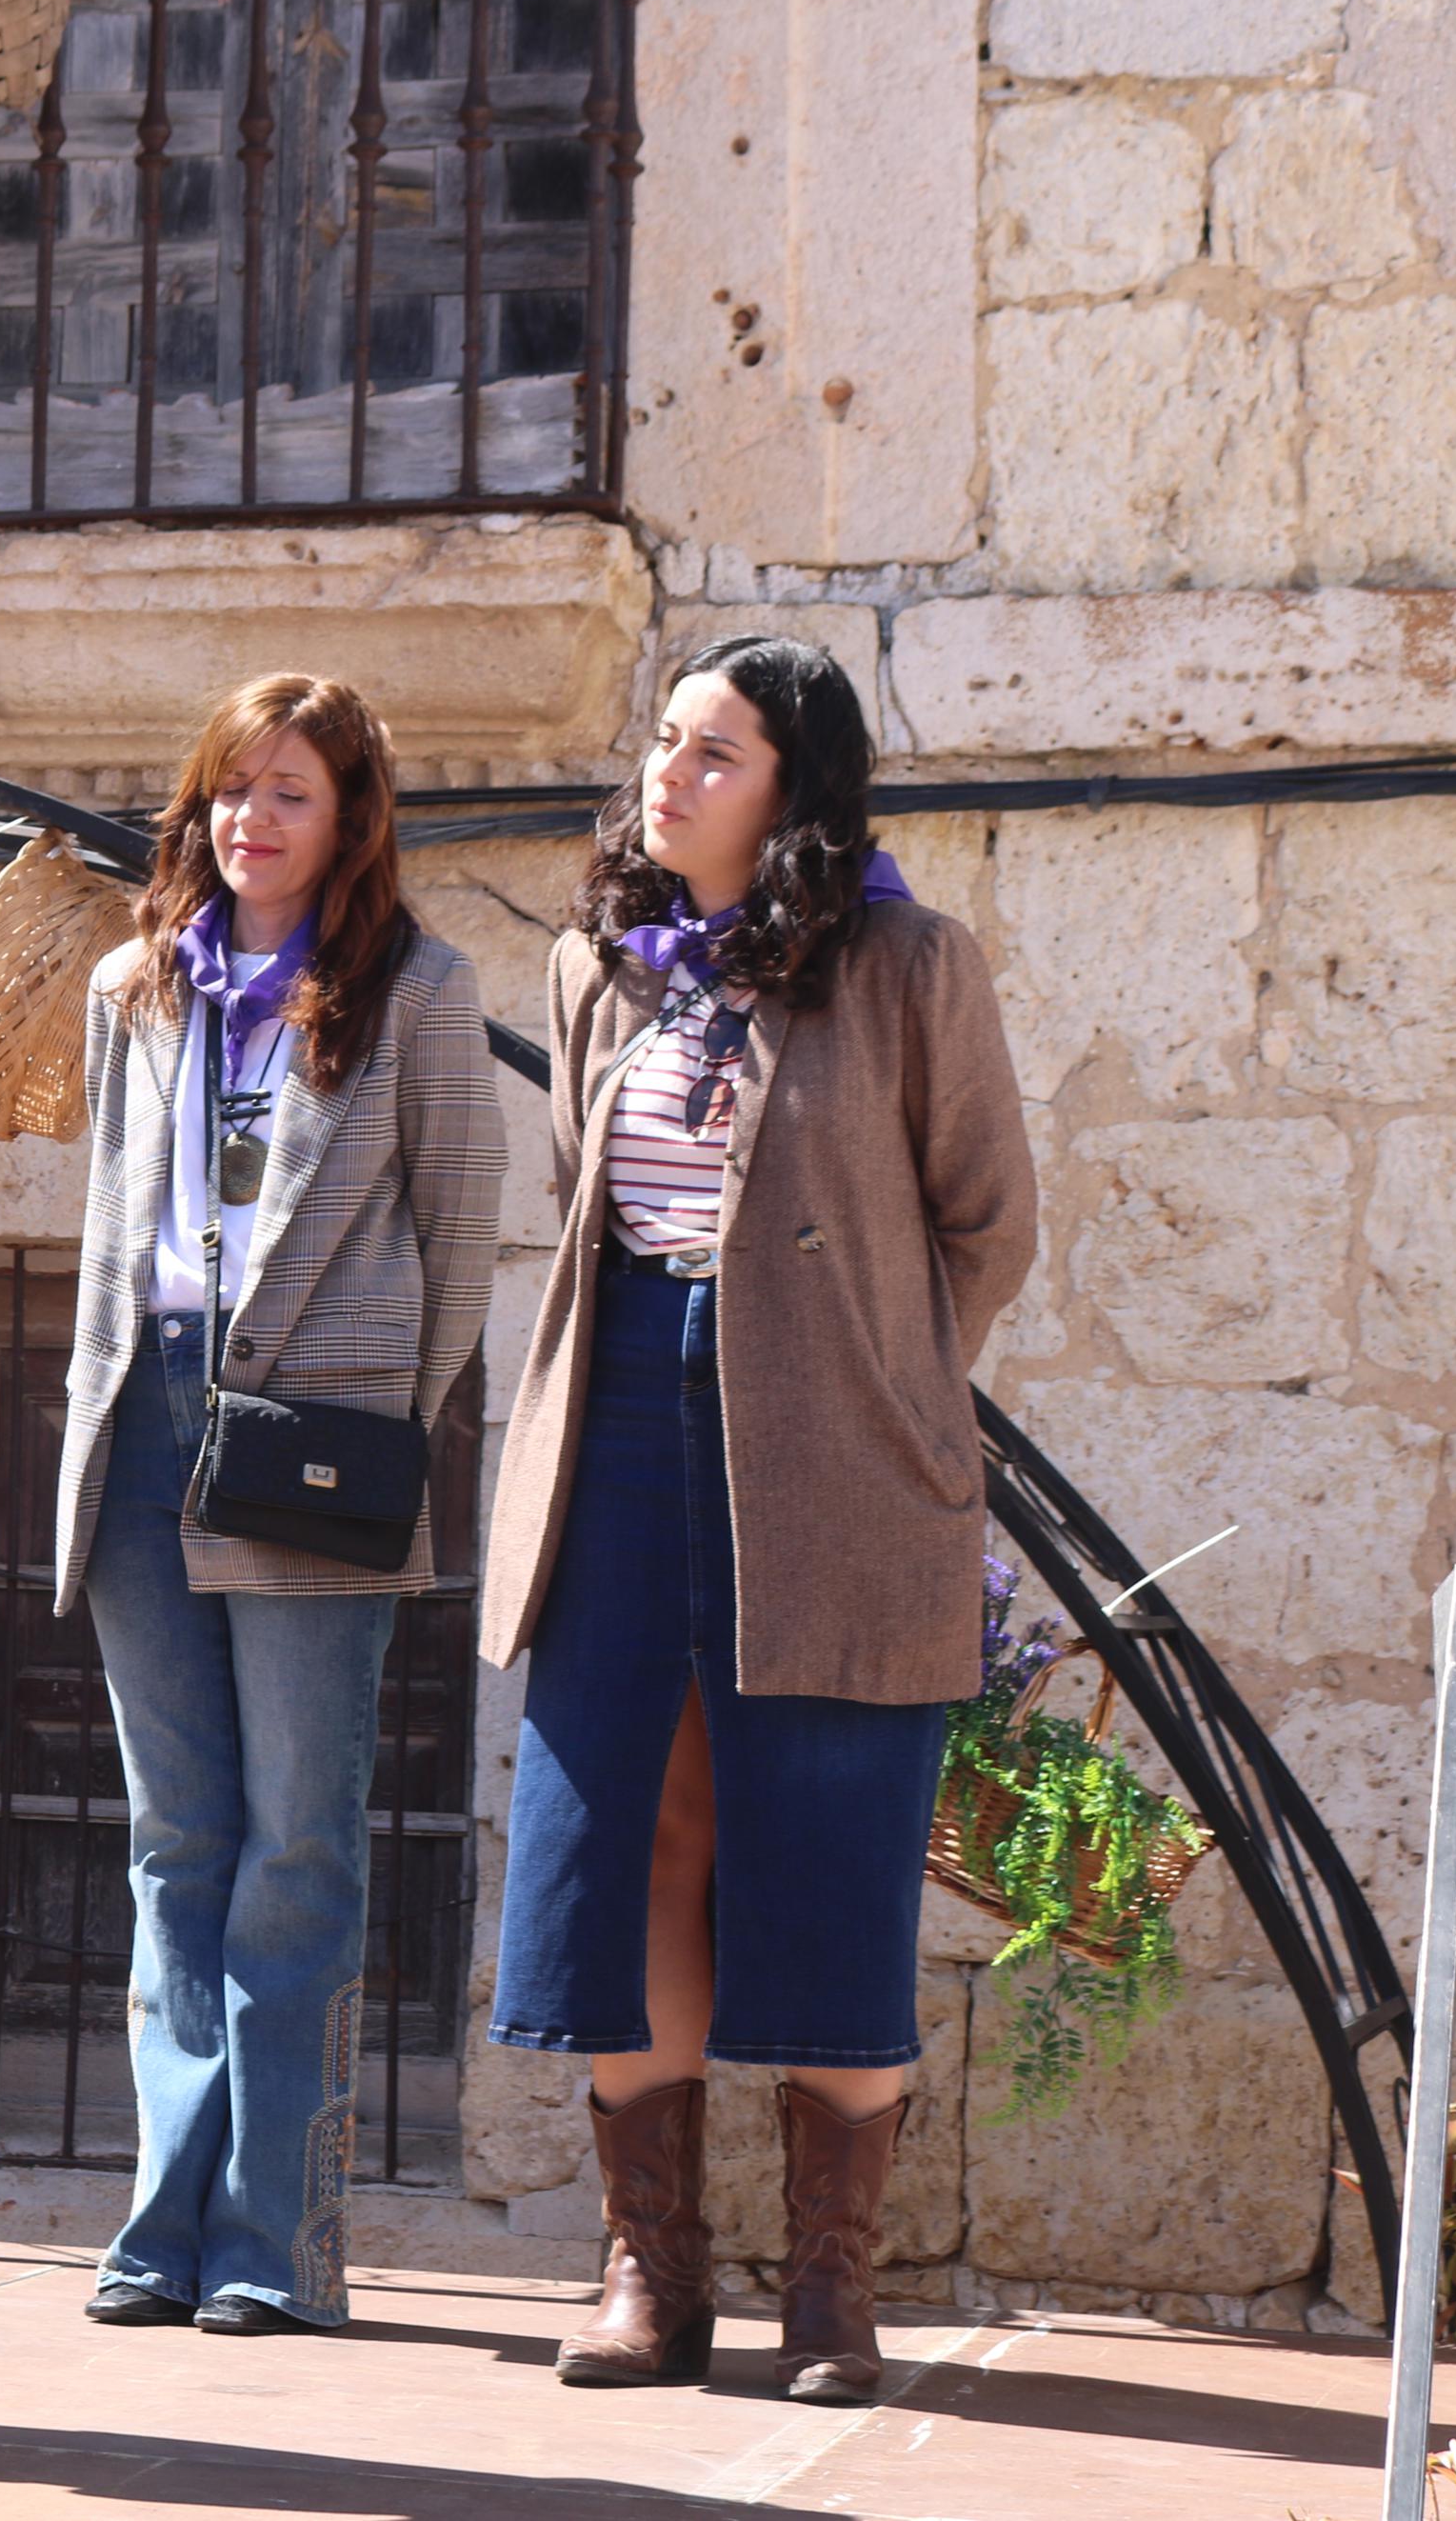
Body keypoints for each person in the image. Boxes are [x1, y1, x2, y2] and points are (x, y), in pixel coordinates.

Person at [482, 636, 1035, 2404]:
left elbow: (986, 1222)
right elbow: (587, 1198)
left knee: (830, 1840)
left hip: (839, 1443)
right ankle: (653, 2272)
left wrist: (866, 1372)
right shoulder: (596, 969)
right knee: (639, 1820)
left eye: (714, 753)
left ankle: (833, 2289)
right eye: (663, 742)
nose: (670, 773)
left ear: (795, 785)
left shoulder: (905, 965)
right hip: (625, 1410)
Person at [50, 675, 501, 2334]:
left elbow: (458, 1250)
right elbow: (110, 1217)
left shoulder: (419, 994)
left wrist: (368, 1415)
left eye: (290, 793)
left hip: (309, 1441)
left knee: (299, 1848)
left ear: (350, 817)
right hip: (144, 1421)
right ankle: (161, 2225)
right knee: (178, 1845)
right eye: (233, 790)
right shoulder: (133, 988)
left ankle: (273, 2246)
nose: (253, 820)